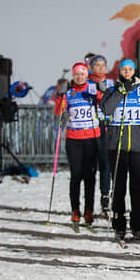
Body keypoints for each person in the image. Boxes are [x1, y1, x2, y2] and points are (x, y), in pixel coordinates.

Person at [100, 59, 140, 241]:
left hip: (139, 147)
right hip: (117, 146)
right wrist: (121, 90)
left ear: (134, 71)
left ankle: (138, 226)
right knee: (119, 188)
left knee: (137, 188)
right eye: (123, 69)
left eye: (129, 69)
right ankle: (119, 224)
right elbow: (106, 110)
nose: (126, 72)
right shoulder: (111, 90)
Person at [54, 62, 102, 225]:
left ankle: (89, 210)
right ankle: (75, 210)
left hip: (91, 138)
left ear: (86, 75)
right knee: (76, 175)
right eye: (76, 75)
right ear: (73, 76)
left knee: (90, 176)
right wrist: (60, 96)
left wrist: (101, 91)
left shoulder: (93, 89)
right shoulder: (69, 92)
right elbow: (58, 112)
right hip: (74, 139)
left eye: (82, 74)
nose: (79, 77)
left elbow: (103, 103)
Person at [88, 54, 113, 217]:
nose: (100, 69)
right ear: (91, 67)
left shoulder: (110, 82)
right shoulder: (87, 82)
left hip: (105, 126)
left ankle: (105, 198)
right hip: (90, 127)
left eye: (103, 65)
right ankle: (88, 200)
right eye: (97, 65)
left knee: (106, 165)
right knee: (90, 166)